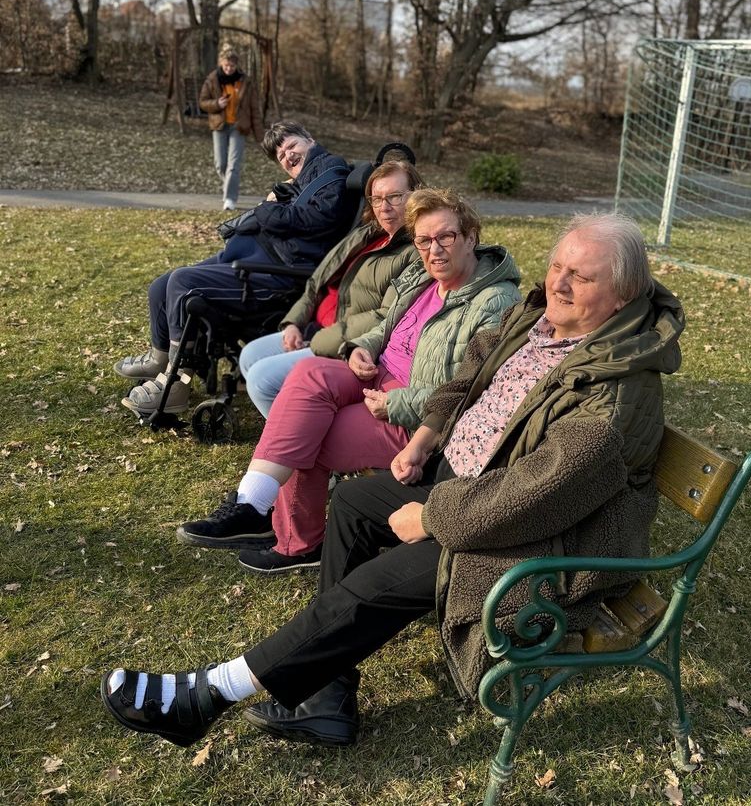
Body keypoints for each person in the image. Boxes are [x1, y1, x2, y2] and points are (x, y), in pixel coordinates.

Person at [100, 212, 684, 751]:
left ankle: (210, 694)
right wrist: (425, 438)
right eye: (557, 265)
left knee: (375, 582)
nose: (558, 282)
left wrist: (431, 517)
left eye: (580, 277)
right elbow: (467, 376)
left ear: (623, 294)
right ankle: (327, 698)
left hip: (535, 543)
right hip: (465, 482)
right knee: (354, 502)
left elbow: (539, 494)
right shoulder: (539, 320)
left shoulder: (615, 392)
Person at [174, 188, 521, 574]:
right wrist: (362, 347)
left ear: (471, 237)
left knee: (312, 435)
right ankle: (253, 504)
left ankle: (298, 543)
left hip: (417, 415)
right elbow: (387, 327)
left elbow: (472, 388)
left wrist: (397, 404)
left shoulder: (494, 301)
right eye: (423, 240)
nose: (433, 249)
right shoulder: (424, 278)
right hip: (376, 373)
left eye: (446, 237)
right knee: (306, 374)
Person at [114, 121, 356, 416]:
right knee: (160, 286)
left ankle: (176, 385)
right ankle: (160, 359)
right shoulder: (305, 179)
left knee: (181, 282)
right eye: (280, 155)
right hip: (256, 258)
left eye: (292, 146)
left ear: (310, 139)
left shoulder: (330, 170)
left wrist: (268, 208)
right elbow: (298, 213)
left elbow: (317, 217)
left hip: (274, 275)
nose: (287, 156)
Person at [238, 159, 423, 418]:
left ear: (416, 196)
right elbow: (317, 281)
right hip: (317, 328)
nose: (384, 207)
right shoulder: (367, 233)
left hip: (347, 345)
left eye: (394, 197)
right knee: (249, 355)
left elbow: (387, 316)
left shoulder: (417, 249)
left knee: (262, 380)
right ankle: (301, 419)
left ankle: (298, 443)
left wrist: (318, 342)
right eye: (377, 198)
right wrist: (293, 322)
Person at [198, 45, 264, 211]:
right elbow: (202, 102)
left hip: (239, 127)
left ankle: (230, 198)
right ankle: (230, 185)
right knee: (220, 164)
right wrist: (217, 104)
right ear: (221, 63)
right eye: (226, 65)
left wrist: (261, 137)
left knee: (233, 164)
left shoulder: (245, 82)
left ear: (237, 66)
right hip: (219, 125)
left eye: (232, 66)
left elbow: (254, 109)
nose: (228, 69)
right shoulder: (212, 79)